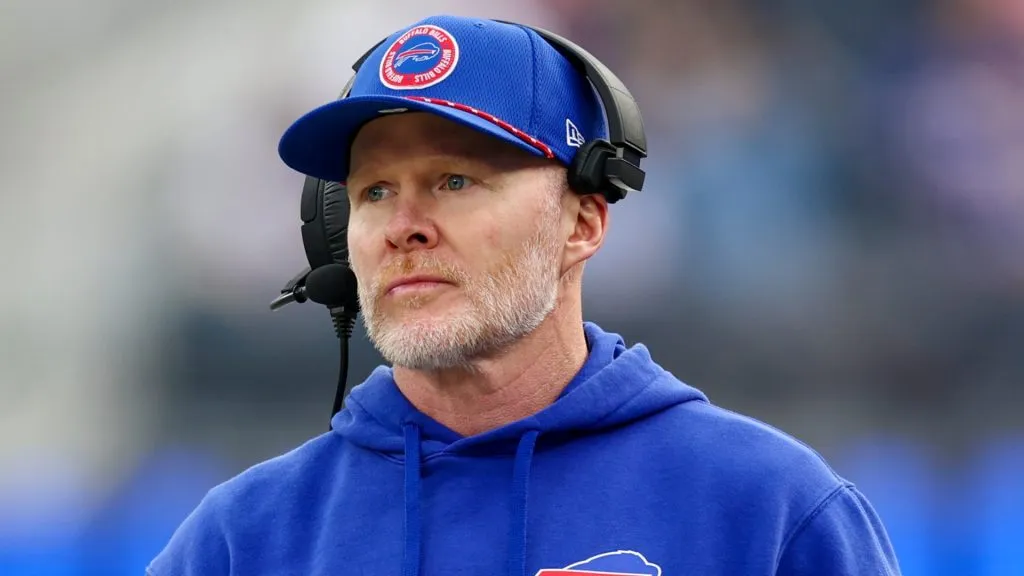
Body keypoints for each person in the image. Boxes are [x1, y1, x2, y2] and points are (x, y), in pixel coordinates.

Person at [147, 14, 902, 576]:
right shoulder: (242, 541)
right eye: (374, 190)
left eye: (455, 181)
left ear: (582, 222)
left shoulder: (768, 509)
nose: (402, 227)